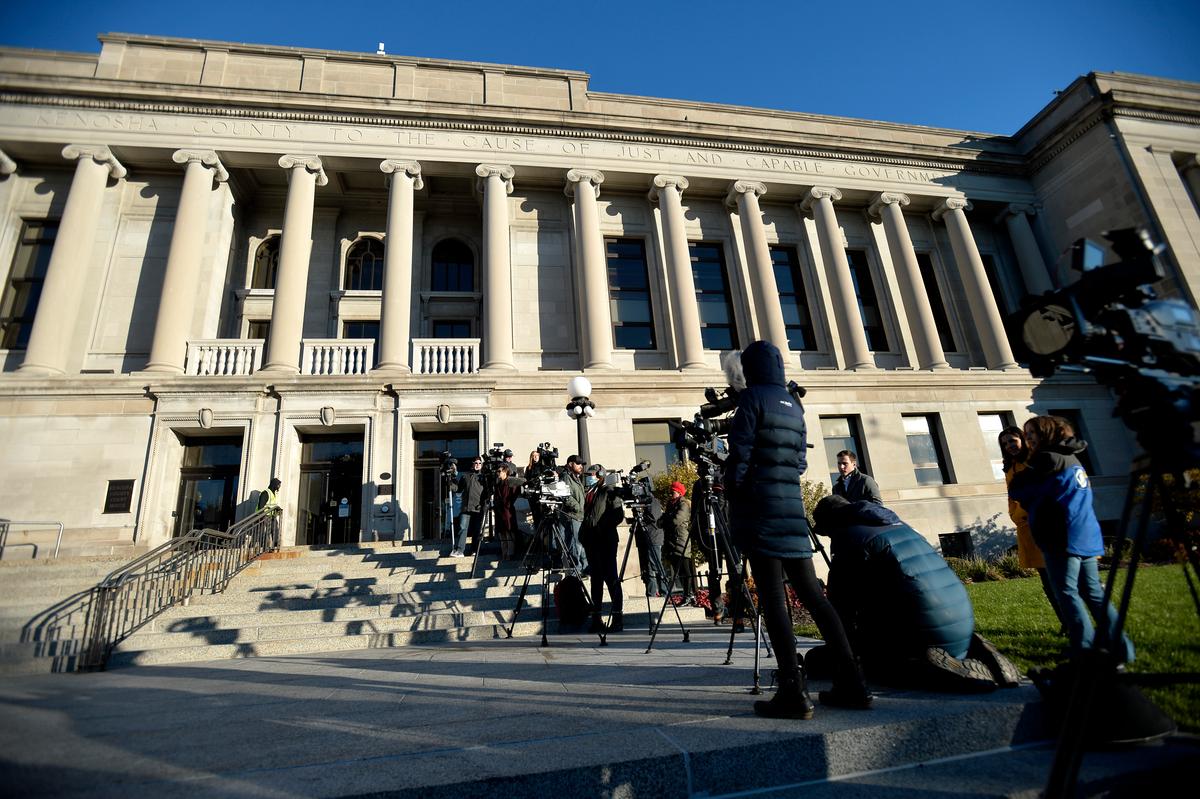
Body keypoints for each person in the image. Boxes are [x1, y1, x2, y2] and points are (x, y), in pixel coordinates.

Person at [723, 340, 872, 719]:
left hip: (761, 510)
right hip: (791, 507)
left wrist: (734, 487)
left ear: (751, 367)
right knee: (814, 596)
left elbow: (739, 457)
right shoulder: (794, 403)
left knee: (774, 601)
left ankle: (792, 689)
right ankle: (854, 681)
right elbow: (802, 463)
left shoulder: (752, 400)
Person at [811, 495, 1015, 692]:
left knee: (878, 668)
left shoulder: (848, 537)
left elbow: (840, 603)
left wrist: (841, 648)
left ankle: (934, 667)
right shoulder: (897, 524)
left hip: (922, 625)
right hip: (961, 617)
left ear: (832, 523)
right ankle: (982, 654)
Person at [1009, 416, 1135, 664]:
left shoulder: (1046, 459)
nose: (1028, 438)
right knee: (1093, 593)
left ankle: (1083, 649)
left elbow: (1020, 489)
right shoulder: (1072, 457)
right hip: (1085, 533)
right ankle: (1122, 648)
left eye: (1032, 432)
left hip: (1060, 536)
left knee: (1067, 593)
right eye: (1026, 434)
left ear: (1046, 432)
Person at [999, 426, 1065, 627]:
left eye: (1012, 440)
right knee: (1047, 580)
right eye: (1005, 443)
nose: (1010, 446)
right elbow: (1012, 498)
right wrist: (1016, 516)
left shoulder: (1036, 461)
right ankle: (1065, 623)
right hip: (1028, 528)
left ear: (1022, 439)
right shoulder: (1010, 469)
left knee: (1061, 578)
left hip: (1048, 525)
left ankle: (1076, 621)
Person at [580, 464, 625, 632]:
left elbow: (618, 515)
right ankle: (596, 618)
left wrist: (601, 526)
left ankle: (617, 617)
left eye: (591, 474)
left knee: (611, 578)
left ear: (600, 475)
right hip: (591, 541)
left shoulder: (609, 491)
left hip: (605, 541)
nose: (588, 477)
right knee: (596, 581)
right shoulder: (590, 492)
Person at [657, 481, 696, 603]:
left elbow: (676, 520)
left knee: (685, 570)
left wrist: (666, 519)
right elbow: (659, 522)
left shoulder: (684, 504)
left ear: (679, 492)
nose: (670, 494)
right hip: (671, 542)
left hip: (681, 541)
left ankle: (689, 595)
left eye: (672, 492)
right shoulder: (671, 504)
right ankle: (687, 594)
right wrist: (666, 519)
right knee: (678, 572)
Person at [450, 456, 486, 558]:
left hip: (478, 508)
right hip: (466, 507)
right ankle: (460, 550)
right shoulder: (465, 476)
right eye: (476, 463)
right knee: (462, 528)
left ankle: (474, 550)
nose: (477, 465)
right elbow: (458, 489)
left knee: (476, 530)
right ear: (472, 464)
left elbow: (488, 491)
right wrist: (451, 482)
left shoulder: (484, 477)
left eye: (479, 463)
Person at [561, 454, 589, 573]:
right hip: (572, 515)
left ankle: (585, 568)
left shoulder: (576, 477)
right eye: (578, 464)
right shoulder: (566, 477)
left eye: (582, 464)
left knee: (581, 544)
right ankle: (576, 571)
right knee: (575, 544)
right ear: (570, 464)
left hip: (580, 516)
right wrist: (578, 508)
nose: (581, 466)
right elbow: (565, 495)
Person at [493, 463, 526, 559]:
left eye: (500, 471)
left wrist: (508, 504)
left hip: (507, 511)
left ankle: (510, 553)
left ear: (505, 472)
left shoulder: (510, 482)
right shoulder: (498, 483)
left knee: (509, 532)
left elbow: (514, 493)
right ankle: (504, 553)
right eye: (497, 471)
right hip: (499, 510)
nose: (498, 473)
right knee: (502, 533)